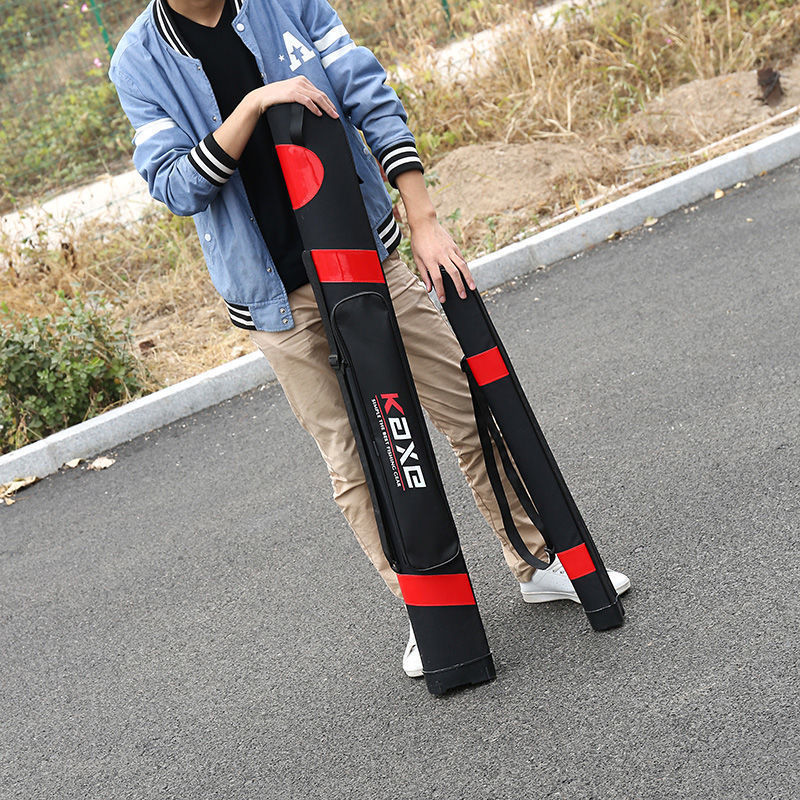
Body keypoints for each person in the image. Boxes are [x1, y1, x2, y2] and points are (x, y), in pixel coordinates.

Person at [109, 0, 630, 679]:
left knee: (467, 405)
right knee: (353, 459)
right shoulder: (139, 60)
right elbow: (176, 186)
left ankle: (537, 561)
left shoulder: (285, 4)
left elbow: (366, 92)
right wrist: (256, 104)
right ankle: (427, 609)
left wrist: (424, 218)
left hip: (368, 258)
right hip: (276, 297)